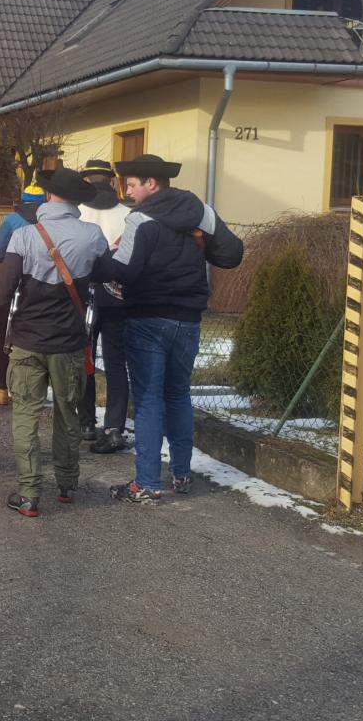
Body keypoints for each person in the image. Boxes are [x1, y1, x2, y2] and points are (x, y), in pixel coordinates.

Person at [93, 154, 244, 504]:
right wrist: (201, 241)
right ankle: (181, 474)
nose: (128, 193)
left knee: (147, 400)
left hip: (147, 318)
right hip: (188, 319)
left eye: (132, 185)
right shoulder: (201, 212)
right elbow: (233, 254)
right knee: (178, 395)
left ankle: (147, 483)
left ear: (152, 183)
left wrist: (100, 261)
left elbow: (125, 270)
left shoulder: (140, 218)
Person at [0, 168, 107, 517]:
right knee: (67, 414)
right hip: (69, 343)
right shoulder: (93, 235)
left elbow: (2, 290)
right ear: (76, 200)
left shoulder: (25, 235)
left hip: (28, 341)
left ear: (48, 196)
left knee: (26, 414)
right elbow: (107, 276)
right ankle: (67, 484)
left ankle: (29, 494)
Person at [77, 159, 132, 453]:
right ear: (111, 181)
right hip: (116, 293)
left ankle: (86, 422)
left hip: (82, 292)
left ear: (86, 181)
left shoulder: (77, 211)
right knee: (115, 363)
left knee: (83, 358)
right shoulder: (128, 214)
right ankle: (114, 427)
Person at [0, 184, 46, 405]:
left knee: (4, 335)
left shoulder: (12, 220)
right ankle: (32, 388)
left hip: (13, 286)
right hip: (40, 287)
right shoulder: (47, 222)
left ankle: (0, 387)